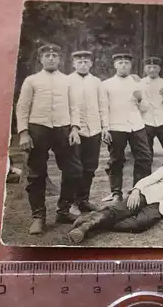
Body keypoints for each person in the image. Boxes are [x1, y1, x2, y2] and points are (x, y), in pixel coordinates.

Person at [67, 143, 163, 243]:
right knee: (120, 211)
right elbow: (147, 180)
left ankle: (93, 219)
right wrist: (136, 191)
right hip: (147, 195)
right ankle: (85, 227)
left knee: (139, 225)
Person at [15, 44, 82, 235]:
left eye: (55, 55)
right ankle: (38, 217)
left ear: (60, 59)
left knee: (73, 170)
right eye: (47, 55)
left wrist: (75, 128)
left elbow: (75, 106)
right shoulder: (32, 80)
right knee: (36, 174)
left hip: (63, 129)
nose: (51, 58)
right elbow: (22, 107)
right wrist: (24, 132)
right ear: (41, 59)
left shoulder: (68, 81)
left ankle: (63, 210)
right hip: (38, 129)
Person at [102, 50, 152, 202]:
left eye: (127, 63)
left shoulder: (138, 83)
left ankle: (139, 189)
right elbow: (103, 107)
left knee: (144, 156)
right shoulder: (106, 84)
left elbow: (145, 108)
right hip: (116, 126)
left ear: (131, 65)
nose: (123, 65)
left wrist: (140, 99)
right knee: (116, 159)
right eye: (120, 63)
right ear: (115, 65)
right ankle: (116, 192)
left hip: (136, 125)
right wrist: (105, 128)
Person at [67, 50, 109, 213]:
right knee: (74, 167)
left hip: (94, 130)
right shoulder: (68, 81)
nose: (83, 64)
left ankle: (83, 199)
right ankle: (71, 202)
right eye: (79, 62)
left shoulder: (97, 82)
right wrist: (72, 128)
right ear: (74, 64)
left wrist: (105, 127)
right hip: (75, 132)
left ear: (91, 64)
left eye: (86, 62)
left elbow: (103, 105)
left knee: (90, 167)